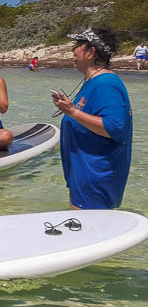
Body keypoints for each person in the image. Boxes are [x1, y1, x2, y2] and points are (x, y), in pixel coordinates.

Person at [51, 28, 132, 209]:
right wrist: (71, 108)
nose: (73, 50)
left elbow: (115, 128)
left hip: (96, 176)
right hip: (86, 175)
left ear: (91, 52)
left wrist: (73, 112)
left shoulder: (106, 84)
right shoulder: (93, 81)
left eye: (78, 45)